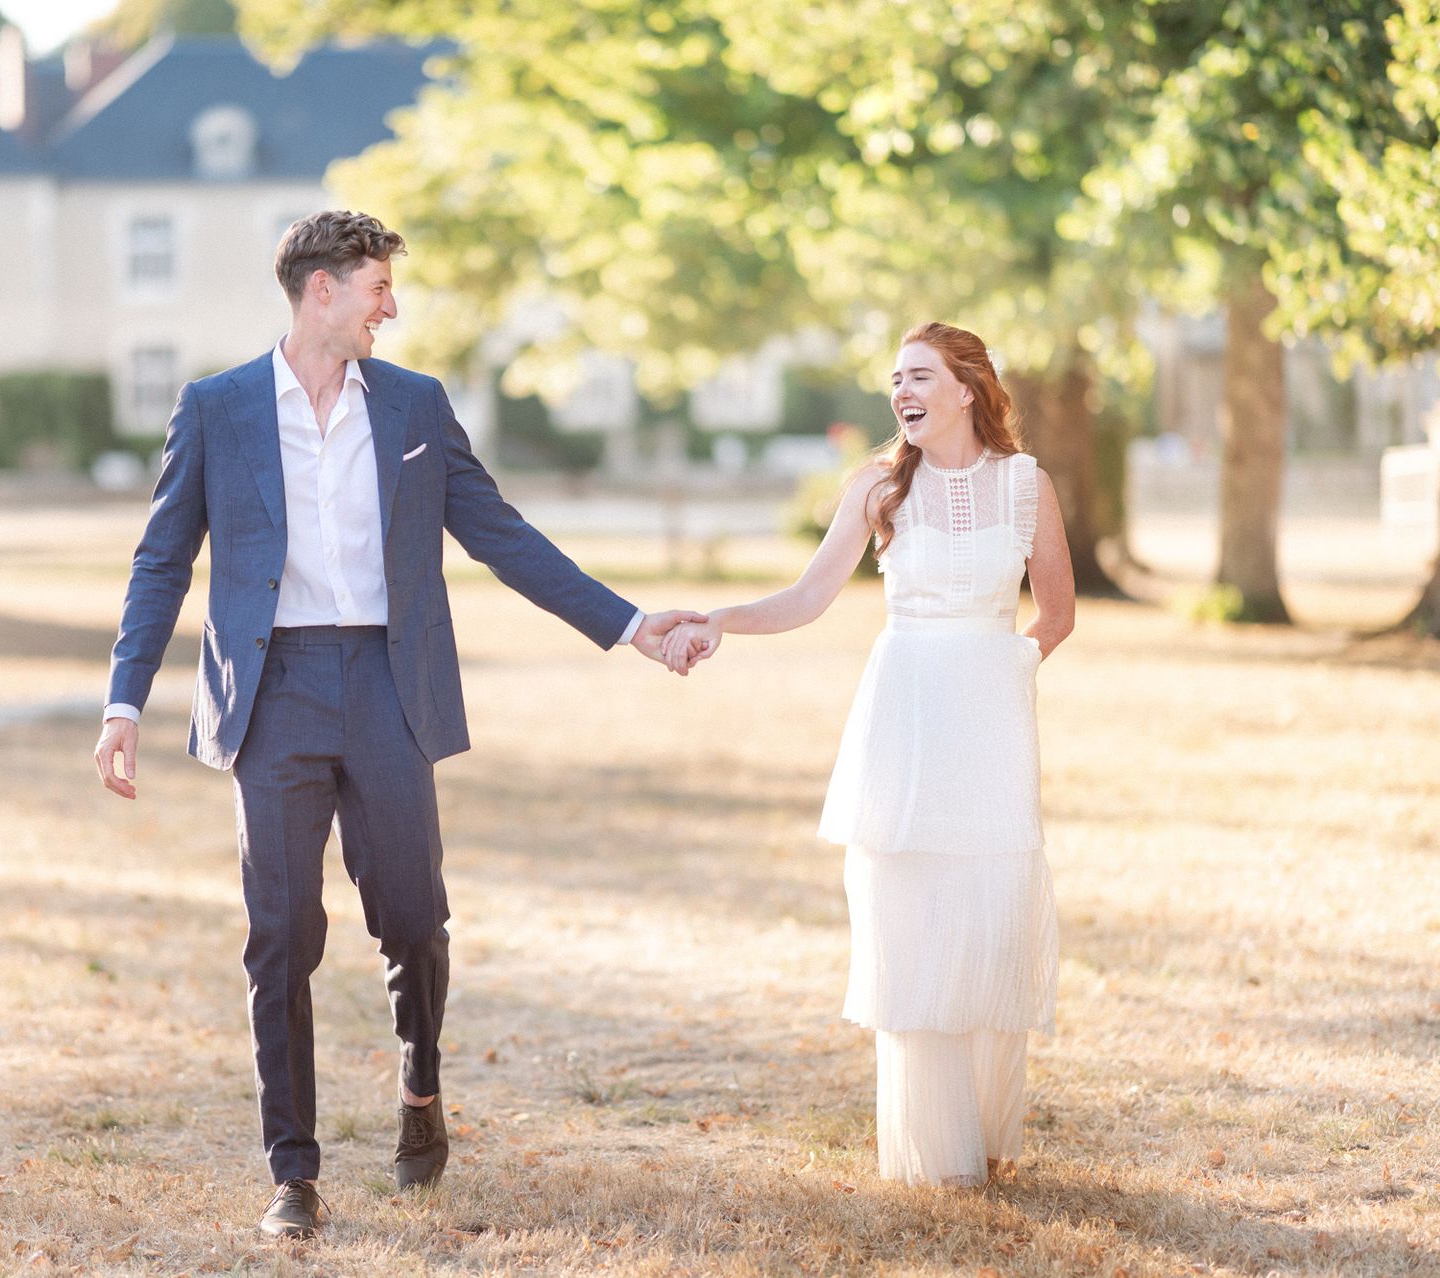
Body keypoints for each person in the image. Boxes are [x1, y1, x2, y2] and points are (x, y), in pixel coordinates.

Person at [92, 211, 704, 1239]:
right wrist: (123, 699)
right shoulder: (217, 409)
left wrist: (633, 626)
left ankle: (420, 1086)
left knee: (414, 922)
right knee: (281, 936)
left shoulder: (415, 406)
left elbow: (504, 535)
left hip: (388, 683)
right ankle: (293, 1172)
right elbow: (162, 561)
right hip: (273, 691)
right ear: (321, 291)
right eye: (379, 287)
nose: (393, 306)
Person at [665, 321, 1073, 1187]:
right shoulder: (878, 486)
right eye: (895, 379)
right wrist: (721, 619)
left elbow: (1060, 614)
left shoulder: (1026, 486)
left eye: (919, 375)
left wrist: (1007, 673)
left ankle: (993, 1132)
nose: (901, 393)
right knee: (915, 917)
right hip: (906, 720)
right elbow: (810, 595)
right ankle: (936, 1156)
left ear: (966, 387)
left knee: (992, 911)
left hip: (992, 723)